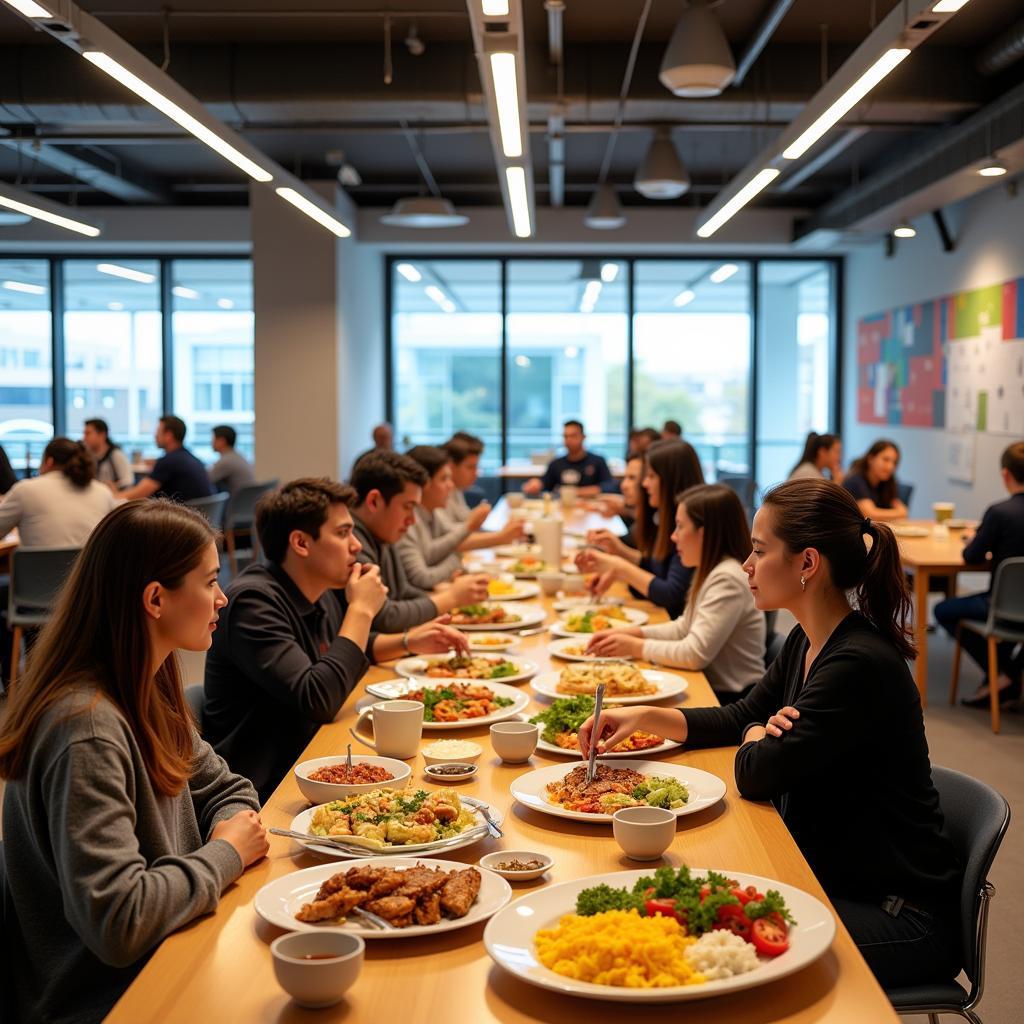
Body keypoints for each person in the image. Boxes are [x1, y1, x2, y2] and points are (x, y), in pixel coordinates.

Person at [579, 478, 962, 990]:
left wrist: (760, 738)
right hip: (836, 876)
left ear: (807, 564)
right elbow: (742, 717)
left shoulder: (856, 663)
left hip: (900, 916)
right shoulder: (809, 637)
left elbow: (757, 773)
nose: (746, 566)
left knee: (714, 954)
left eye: (759, 551)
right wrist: (642, 717)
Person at [0, 500, 267, 1024]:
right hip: (113, 999)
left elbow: (227, 790)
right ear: (155, 599)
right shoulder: (88, 730)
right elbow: (119, 923)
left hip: (172, 949)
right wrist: (225, 854)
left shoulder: (143, 688)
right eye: (210, 581)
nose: (223, 597)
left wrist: (222, 840)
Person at [204, 478, 468, 802]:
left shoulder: (318, 589)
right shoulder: (253, 603)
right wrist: (360, 609)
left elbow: (338, 652)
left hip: (316, 763)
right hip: (269, 791)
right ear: (301, 542)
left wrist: (409, 641)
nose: (356, 545)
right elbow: (318, 698)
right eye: (343, 533)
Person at [585, 484, 766, 702]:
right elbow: (684, 627)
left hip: (733, 699)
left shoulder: (727, 578)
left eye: (680, 527)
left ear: (703, 534)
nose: (673, 536)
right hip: (714, 689)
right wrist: (634, 634)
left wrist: (635, 646)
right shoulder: (710, 569)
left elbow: (694, 655)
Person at [350, 451, 489, 633]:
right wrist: (450, 598)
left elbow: (403, 592)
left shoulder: (381, 534)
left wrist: (449, 597)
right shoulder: (354, 544)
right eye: (407, 507)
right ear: (374, 501)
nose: (412, 520)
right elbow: (384, 617)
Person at [935, 440, 1024, 708]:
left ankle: (1004, 674)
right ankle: (1006, 675)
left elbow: (971, 556)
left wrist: (975, 539)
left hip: (999, 605)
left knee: (943, 610)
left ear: (1005, 474)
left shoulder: (999, 513)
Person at [576, 440, 702, 618]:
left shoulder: (689, 526)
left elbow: (672, 595)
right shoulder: (665, 519)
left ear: (670, 480)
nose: (644, 484)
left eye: (650, 476)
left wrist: (621, 567)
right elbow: (657, 571)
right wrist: (621, 553)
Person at [397, 445, 492, 589]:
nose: (450, 485)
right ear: (424, 484)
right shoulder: (409, 519)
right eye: (444, 479)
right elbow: (422, 577)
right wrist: (457, 556)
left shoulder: (433, 512)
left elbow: (440, 545)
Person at [0, 437, 119, 547]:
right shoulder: (102, 492)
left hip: (41, 569)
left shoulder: (25, 490)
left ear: (49, 462)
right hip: (90, 570)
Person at [120, 415, 214, 503]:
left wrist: (111, 496)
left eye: (158, 431)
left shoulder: (168, 462)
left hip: (177, 517)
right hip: (196, 516)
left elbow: (138, 495)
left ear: (169, 435)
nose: (155, 436)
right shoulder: (190, 458)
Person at [522, 420, 612, 497]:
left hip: (591, 510)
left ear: (583, 437)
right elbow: (545, 483)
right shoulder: (556, 463)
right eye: (565, 436)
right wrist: (536, 484)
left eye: (573, 436)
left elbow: (609, 486)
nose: (568, 440)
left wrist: (577, 492)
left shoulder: (597, 461)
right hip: (562, 509)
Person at [843, 439, 908, 521]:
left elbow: (903, 510)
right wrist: (899, 513)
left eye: (894, 462)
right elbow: (870, 514)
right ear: (870, 459)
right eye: (885, 460)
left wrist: (901, 512)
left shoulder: (887, 482)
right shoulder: (855, 482)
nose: (890, 467)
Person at [82, 418, 134, 490]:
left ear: (102, 435)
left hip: (115, 498)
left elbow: (128, 481)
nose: (84, 438)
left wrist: (113, 485)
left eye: (88, 433)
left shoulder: (116, 455)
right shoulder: (85, 455)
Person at [208, 424, 256, 498]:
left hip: (235, 504)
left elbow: (204, 480)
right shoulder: (238, 456)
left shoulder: (226, 461)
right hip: (245, 502)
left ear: (222, 441)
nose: (211, 442)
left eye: (213, 439)